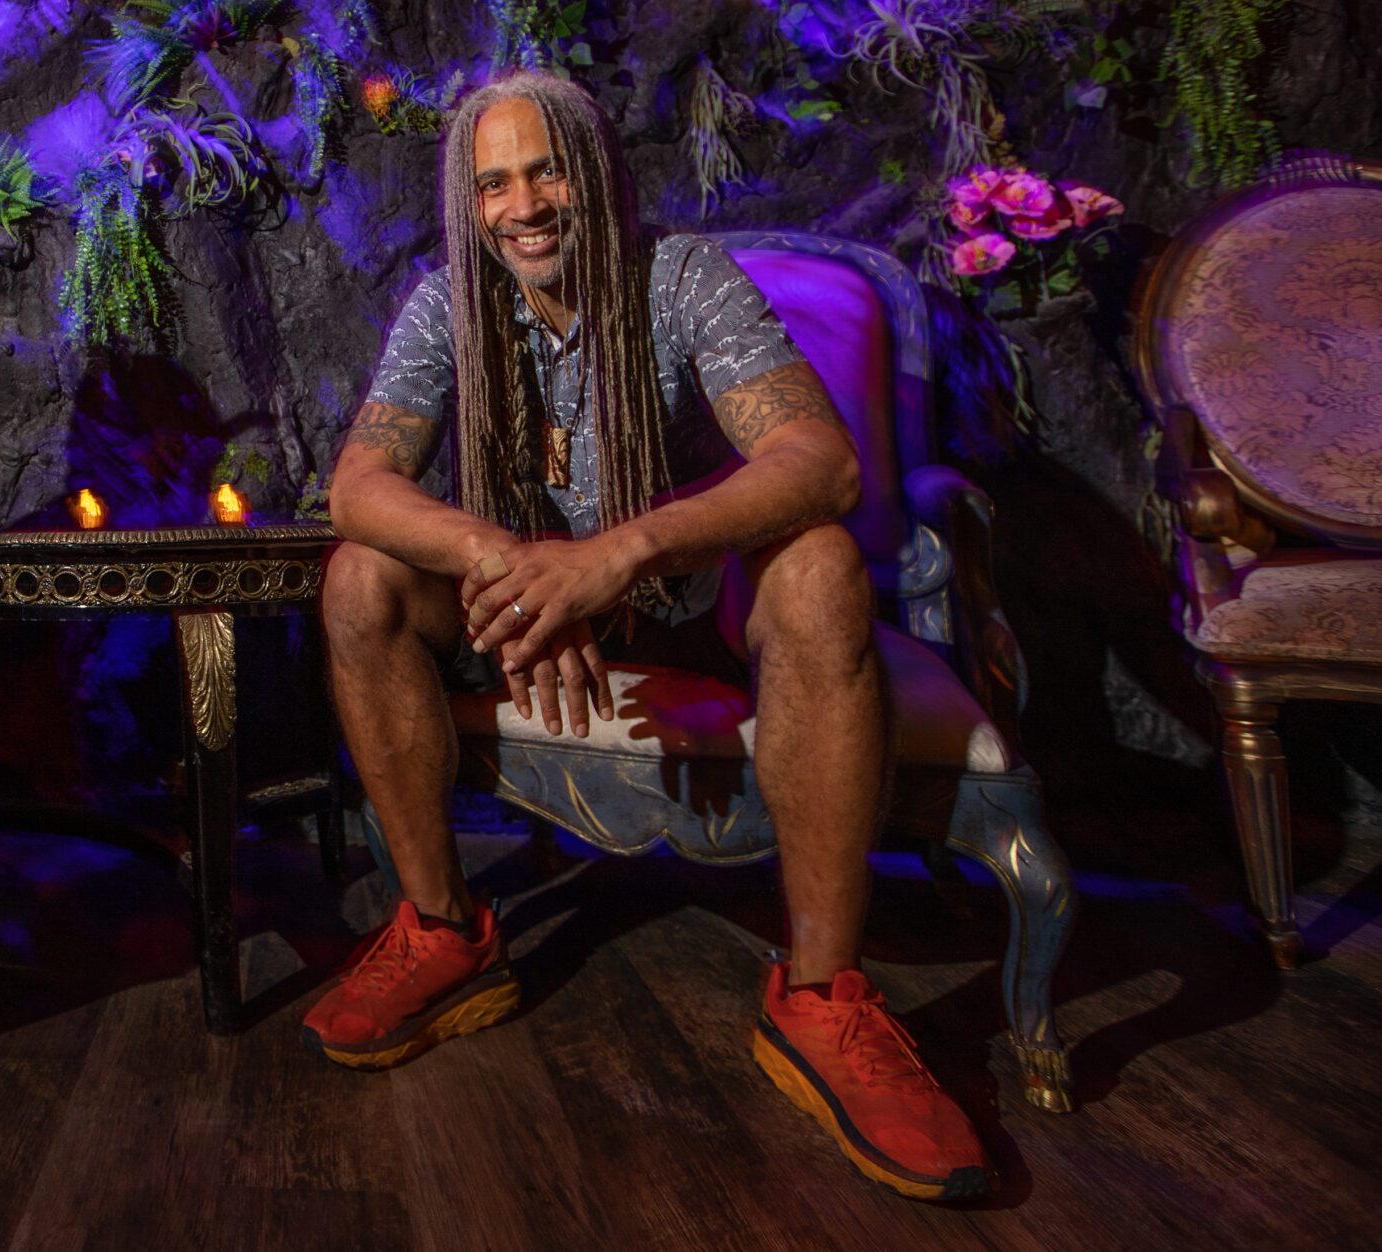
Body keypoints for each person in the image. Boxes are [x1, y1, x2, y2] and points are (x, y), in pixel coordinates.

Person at [303, 69, 987, 1202]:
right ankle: (440, 929)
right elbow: (359, 483)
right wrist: (509, 564)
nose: (519, 203)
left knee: (817, 564)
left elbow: (819, 459)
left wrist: (615, 554)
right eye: (491, 182)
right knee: (358, 576)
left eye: (543, 169)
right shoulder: (448, 303)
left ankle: (819, 997)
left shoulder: (680, 277)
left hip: (692, 613)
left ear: (595, 172)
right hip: (519, 611)